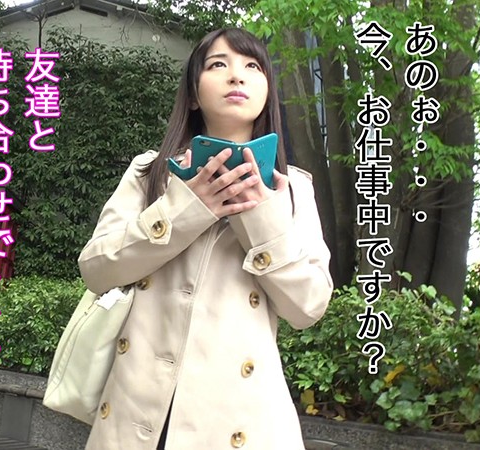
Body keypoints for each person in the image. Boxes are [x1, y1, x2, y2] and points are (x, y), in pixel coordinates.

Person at [77, 28, 334, 450]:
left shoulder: (292, 190)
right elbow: (96, 269)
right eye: (218, 64)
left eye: (252, 66)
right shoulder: (150, 173)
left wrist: (259, 216)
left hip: (240, 425)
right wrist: (187, 209)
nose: (237, 76)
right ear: (194, 94)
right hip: (137, 417)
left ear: (267, 92)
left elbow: (308, 307)